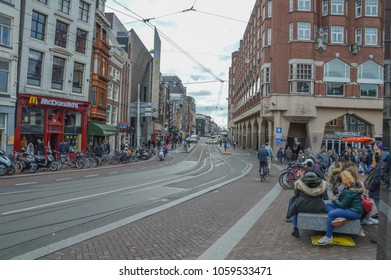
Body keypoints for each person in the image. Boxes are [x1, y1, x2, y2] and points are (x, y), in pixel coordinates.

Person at [317, 170, 363, 245]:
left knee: (331, 214)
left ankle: (328, 237)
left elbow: (343, 205)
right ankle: (340, 216)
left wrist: (334, 199)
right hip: (349, 208)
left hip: (354, 212)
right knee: (326, 206)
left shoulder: (350, 191)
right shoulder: (352, 186)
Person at [287, 172, 327, 238]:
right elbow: (322, 197)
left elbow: (296, 195)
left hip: (302, 205)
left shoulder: (300, 183)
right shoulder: (321, 184)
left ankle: (295, 229)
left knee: (294, 210)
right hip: (318, 206)